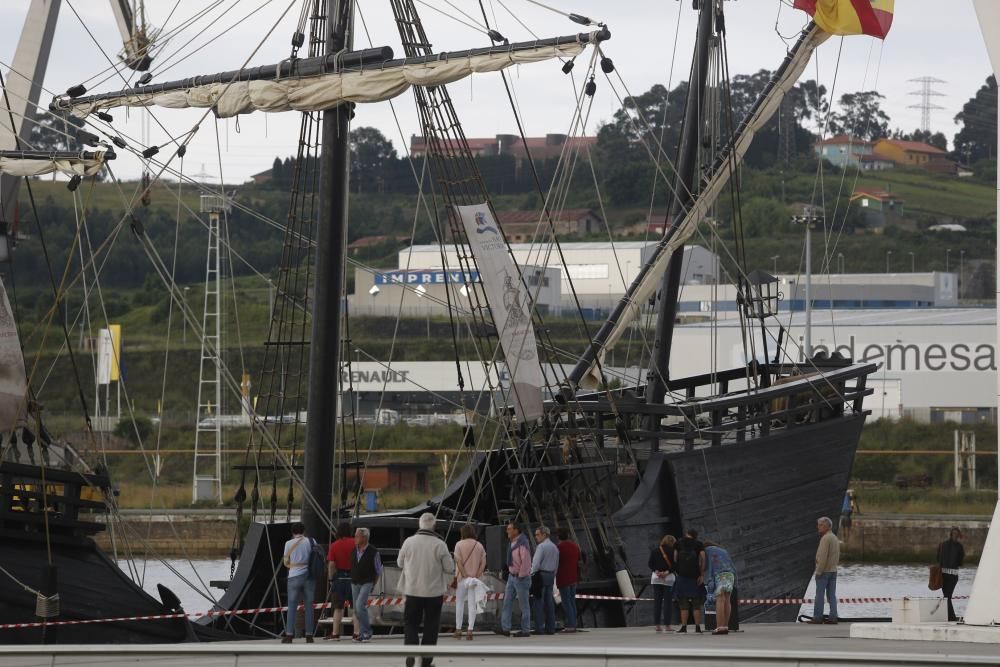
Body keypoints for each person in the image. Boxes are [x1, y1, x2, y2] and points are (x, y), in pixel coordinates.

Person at [397, 513, 455, 667]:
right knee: (431, 626)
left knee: (410, 624)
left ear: (419, 525)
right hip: (434, 593)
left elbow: (399, 563)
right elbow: (450, 568)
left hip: (412, 590)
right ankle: (426, 662)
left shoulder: (409, 542)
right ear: (434, 526)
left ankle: (410, 653)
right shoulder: (439, 544)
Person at [281, 521, 317, 643]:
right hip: (309, 576)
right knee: (309, 606)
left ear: (292, 532)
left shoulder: (288, 543)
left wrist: (294, 565)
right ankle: (309, 635)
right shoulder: (311, 541)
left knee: (292, 606)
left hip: (294, 576)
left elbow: (285, 562)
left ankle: (289, 635)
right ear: (304, 531)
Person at [453, 523, 487, 640]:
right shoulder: (479, 545)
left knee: (460, 604)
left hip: (462, 579)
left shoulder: (458, 544)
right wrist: (477, 574)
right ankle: (470, 631)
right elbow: (483, 562)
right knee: (472, 604)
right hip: (474, 580)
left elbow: (458, 561)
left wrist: (464, 574)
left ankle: (458, 630)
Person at [499, 521, 532, 637]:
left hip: (520, 577)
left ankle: (525, 630)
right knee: (507, 602)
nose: (507, 531)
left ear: (516, 530)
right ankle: (505, 628)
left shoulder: (522, 543)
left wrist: (521, 575)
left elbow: (526, 561)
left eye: (509, 529)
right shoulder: (512, 543)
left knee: (524, 605)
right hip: (511, 577)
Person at [350, 526, 383, 642]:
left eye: (356, 536)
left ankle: (367, 632)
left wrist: (373, 584)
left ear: (364, 537)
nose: (354, 538)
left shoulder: (374, 552)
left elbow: (379, 570)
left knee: (360, 605)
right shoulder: (354, 550)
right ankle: (360, 633)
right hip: (354, 582)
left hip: (367, 582)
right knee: (356, 609)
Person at [325, 521, 354, 641]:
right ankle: (357, 633)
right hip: (354, 577)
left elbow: (331, 565)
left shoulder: (334, 545)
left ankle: (335, 633)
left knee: (338, 607)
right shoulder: (355, 544)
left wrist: (331, 578)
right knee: (356, 608)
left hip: (340, 578)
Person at [673, 528, 705, 634]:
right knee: (696, 605)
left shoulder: (678, 543)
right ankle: (697, 627)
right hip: (695, 577)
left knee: (683, 604)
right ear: (695, 536)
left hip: (682, 577)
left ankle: (684, 627)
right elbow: (702, 558)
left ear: (687, 534)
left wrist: (677, 571)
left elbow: (675, 558)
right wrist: (701, 574)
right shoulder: (699, 544)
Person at [703, 541, 736, 635]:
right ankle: (725, 626)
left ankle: (719, 626)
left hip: (720, 575)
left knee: (720, 600)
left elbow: (706, 565)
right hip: (730, 575)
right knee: (727, 600)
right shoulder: (724, 551)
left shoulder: (707, 550)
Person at [810, 516, 839, 625]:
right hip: (833, 570)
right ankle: (833, 617)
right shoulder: (834, 537)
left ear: (825, 526)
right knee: (831, 595)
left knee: (819, 595)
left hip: (824, 571)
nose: (818, 527)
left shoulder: (825, 538)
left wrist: (818, 572)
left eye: (820, 525)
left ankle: (817, 617)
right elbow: (836, 556)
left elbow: (822, 557)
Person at [530, 525, 559, 635]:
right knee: (549, 602)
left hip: (540, 575)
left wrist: (531, 574)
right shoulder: (554, 547)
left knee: (538, 602)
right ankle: (550, 628)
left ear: (544, 534)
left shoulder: (541, 547)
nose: (536, 537)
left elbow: (536, 563)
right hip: (551, 575)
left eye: (537, 534)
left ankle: (539, 628)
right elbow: (556, 564)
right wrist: (553, 574)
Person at [555, 527, 582, 633]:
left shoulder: (558, 548)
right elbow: (579, 560)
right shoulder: (575, 546)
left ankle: (571, 625)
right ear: (568, 536)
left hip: (563, 578)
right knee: (572, 601)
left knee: (566, 602)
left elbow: (556, 562)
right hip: (573, 577)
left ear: (558, 537)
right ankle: (574, 623)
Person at [648, 534, 676, 632]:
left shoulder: (655, 550)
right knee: (667, 603)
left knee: (657, 602)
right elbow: (675, 565)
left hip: (656, 579)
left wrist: (657, 572)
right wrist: (666, 572)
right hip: (668, 579)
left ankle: (657, 626)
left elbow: (650, 563)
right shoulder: (673, 551)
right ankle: (667, 626)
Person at [937, 527, 965, 621]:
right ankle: (951, 617)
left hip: (943, 574)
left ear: (950, 534)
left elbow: (938, 558)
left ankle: (950, 617)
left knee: (946, 597)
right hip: (953, 575)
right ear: (958, 535)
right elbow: (961, 562)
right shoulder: (959, 547)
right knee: (947, 597)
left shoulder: (942, 545)